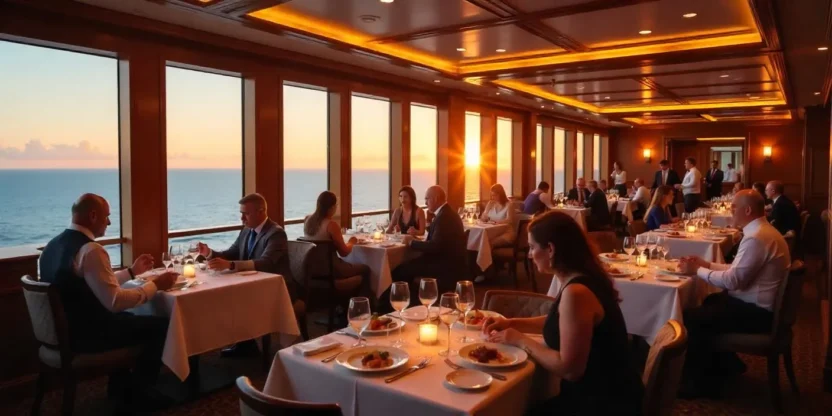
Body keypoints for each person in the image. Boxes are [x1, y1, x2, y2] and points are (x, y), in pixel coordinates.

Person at [483, 211, 644, 415]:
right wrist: (511, 323)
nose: (530, 254)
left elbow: (569, 369)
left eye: (532, 247)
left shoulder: (576, 293)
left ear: (550, 249)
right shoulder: (581, 277)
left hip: (603, 404)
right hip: (611, 393)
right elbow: (562, 322)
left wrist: (520, 340)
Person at [39, 194, 178, 409]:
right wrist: (156, 285)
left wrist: (131, 272)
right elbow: (115, 301)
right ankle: (140, 393)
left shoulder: (52, 246)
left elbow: (94, 283)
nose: (109, 222)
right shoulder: (91, 250)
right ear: (93, 216)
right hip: (87, 337)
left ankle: (120, 386)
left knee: (128, 318)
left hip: (63, 333)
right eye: (107, 217)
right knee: (161, 325)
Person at [677, 190, 789, 398]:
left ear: (747, 210)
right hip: (758, 306)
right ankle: (725, 365)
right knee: (710, 300)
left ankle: (697, 383)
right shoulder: (763, 231)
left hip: (758, 313)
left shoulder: (756, 238)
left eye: (734, 207)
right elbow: (738, 269)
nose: (730, 210)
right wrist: (706, 264)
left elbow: (733, 281)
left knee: (690, 317)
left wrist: (697, 271)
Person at [198, 193, 295, 357]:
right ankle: (243, 341)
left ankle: (248, 343)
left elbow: (266, 263)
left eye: (246, 214)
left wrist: (231, 265)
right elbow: (231, 253)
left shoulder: (276, 233)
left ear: (261, 212)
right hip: (252, 286)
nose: (242, 218)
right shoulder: (246, 231)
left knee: (234, 298)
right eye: (241, 213)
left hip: (277, 290)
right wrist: (209, 253)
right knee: (224, 297)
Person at [384, 186, 467, 306]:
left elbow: (435, 246)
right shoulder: (446, 213)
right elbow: (438, 243)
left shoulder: (444, 217)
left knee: (399, 270)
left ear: (436, 198)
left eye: (427, 199)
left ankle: (400, 304)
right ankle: (409, 302)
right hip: (449, 261)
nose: (425, 202)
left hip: (443, 265)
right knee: (405, 266)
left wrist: (411, 242)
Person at [302, 190, 371, 289]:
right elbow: (344, 252)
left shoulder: (307, 220)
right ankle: (361, 298)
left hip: (312, 268)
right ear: (332, 208)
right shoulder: (331, 225)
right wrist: (351, 242)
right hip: (333, 269)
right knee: (366, 269)